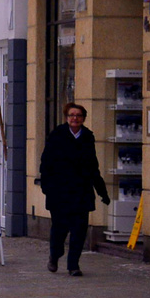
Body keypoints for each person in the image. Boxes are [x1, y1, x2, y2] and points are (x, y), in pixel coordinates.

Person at [38, 102, 110, 276]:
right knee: (59, 229)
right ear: (66, 118)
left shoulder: (87, 137)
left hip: (81, 192)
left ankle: (73, 265)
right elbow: (46, 163)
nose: (75, 118)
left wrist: (102, 191)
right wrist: (47, 187)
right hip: (59, 192)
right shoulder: (57, 135)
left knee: (79, 230)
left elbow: (93, 167)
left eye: (78, 115)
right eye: (72, 115)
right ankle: (54, 256)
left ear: (83, 118)